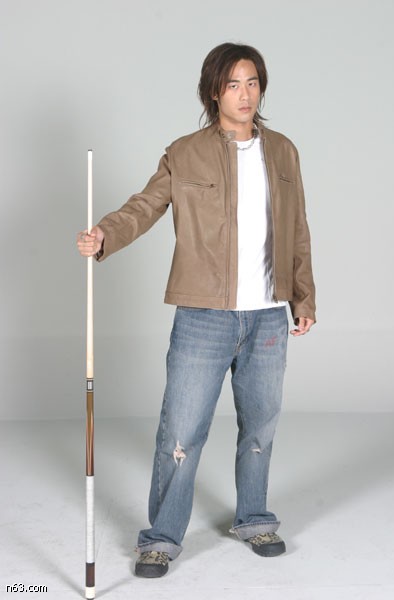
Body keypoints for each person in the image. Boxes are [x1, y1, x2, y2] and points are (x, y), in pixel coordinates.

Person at [77, 42, 316, 578]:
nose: (245, 94)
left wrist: (303, 296)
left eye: (252, 83)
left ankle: (254, 519)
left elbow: (297, 228)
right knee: (180, 433)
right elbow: (144, 207)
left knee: (260, 427)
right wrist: (105, 235)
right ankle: (161, 538)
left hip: (267, 315)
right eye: (233, 84)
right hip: (203, 316)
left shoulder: (283, 152)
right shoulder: (184, 153)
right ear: (213, 92)